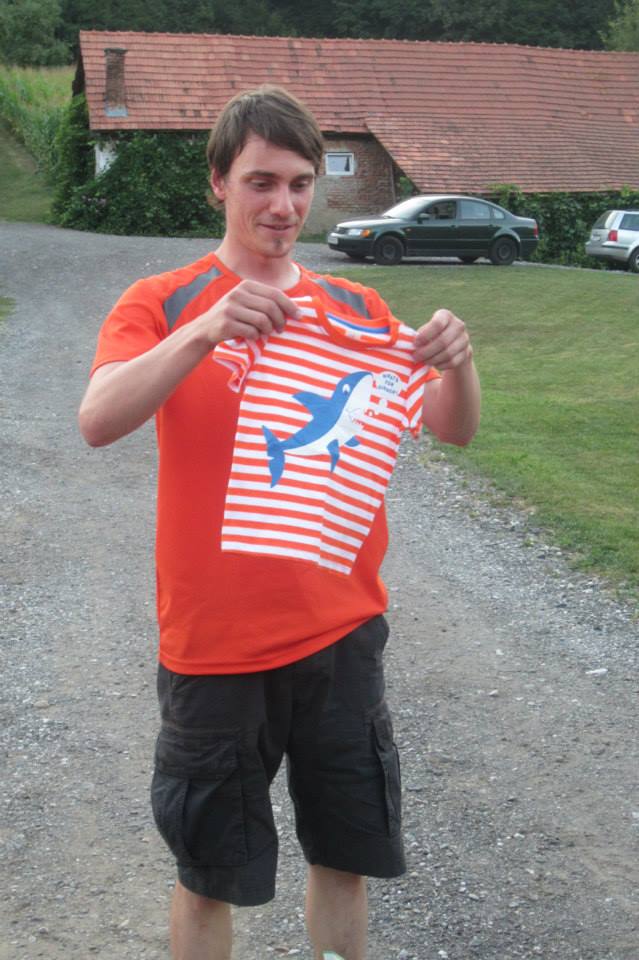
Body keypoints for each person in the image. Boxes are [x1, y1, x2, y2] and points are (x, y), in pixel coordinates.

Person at [78, 85, 480, 960]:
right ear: (218, 183)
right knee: (208, 873)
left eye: (300, 183)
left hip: (341, 634)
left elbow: (450, 427)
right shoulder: (165, 299)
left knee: (344, 859)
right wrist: (204, 334)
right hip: (214, 646)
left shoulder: (356, 309)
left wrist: (458, 362)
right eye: (261, 182)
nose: (284, 205)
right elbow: (98, 420)